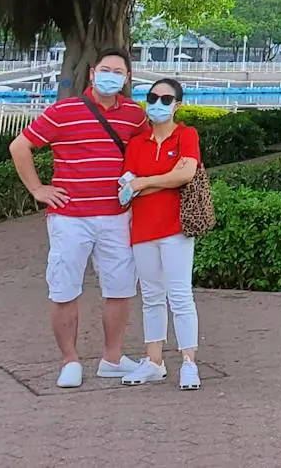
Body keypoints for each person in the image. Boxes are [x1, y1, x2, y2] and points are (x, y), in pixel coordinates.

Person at [10, 48, 149, 388]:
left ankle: (112, 358)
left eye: (118, 71)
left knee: (120, 288)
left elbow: (150, 148)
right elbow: (20, 146)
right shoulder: (63, 111)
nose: (111, 76)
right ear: (91, 74)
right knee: (64, 289)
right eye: (105, 69)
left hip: (116, 216)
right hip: (70, 218)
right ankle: (69, 359)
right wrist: (38, 189)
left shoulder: (134, 115)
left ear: (127, 78)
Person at [120, 77, 203, 389]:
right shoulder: (137, 143)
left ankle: (189, 362)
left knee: (180, 294)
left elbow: (186, 174)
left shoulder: (186, 135)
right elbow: (126, 185)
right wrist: (157, 180)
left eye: (166, 99)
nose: (158, 104)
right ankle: (154, 361)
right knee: (152, 296)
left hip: (175, 228)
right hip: (142, 229)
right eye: (153, 97)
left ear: (177, 105)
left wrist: (143, 182)